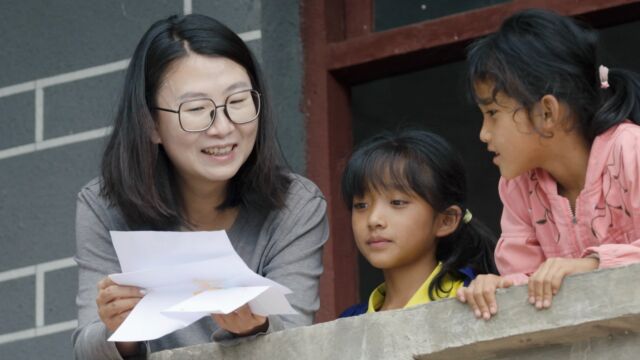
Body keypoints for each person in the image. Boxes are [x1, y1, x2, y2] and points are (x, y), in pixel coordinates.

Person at [72, 14, 328, 358]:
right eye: (196, 109)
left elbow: (296, 346)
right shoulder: (105, 205)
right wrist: (119, 330)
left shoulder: (296, 205)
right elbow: (86, 351)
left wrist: (256, 326)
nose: (223, 127)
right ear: (151, 125)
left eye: (237, 102)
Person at [456, 9, 640, 321]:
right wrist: (497, 286)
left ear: (547, 112)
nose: (483, 134)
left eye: (492, 114)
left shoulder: (630, 150)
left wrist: (592, 264)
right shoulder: (517, 186)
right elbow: (527, 281)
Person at [339, 130, 497, 316]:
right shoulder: (350, 321)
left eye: (397, 203)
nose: (374, 220)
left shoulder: (473, 297)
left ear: (446, 220)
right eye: (361, 205)